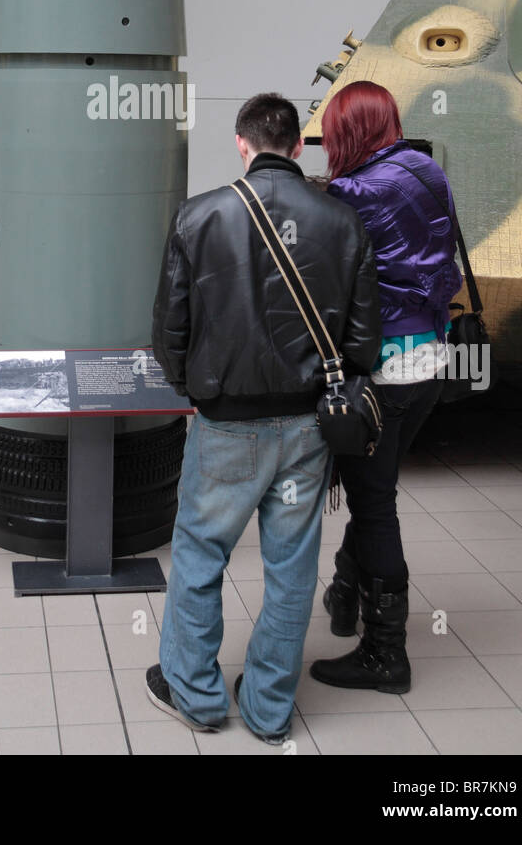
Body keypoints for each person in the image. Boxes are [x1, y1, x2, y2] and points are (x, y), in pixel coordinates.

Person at [146, 93, 382, 744]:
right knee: (290, 566)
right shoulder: (342, 222)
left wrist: (195, 392)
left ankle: (195, 695)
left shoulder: (199, 217)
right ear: (297, 146)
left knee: (199, 555)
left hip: (225, 424)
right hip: (308, 427)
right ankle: (269, 707)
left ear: (240, 144)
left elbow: (169, 332)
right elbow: (363, 346)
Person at [309, 80, 463, 694]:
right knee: (380, 484)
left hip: (383, 370)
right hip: (432, 356)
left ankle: (385, 655)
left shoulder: (352, 193)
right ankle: (346, 594)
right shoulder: (426, 168)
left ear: (347, 134)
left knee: (375, 506)